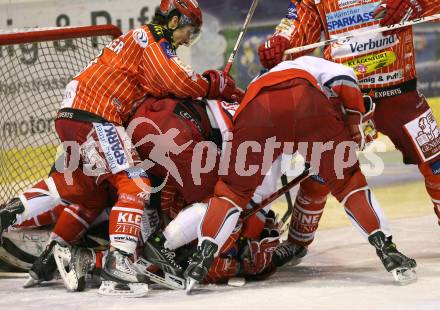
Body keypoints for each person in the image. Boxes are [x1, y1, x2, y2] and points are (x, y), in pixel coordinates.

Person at [0, 0, 241, 286]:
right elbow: (178, 81)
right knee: (134, 181)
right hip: (97, 115)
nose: (189, 38)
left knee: (81, 186)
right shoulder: (153, 40)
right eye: (190, 30)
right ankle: (120, 261)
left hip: (71, 113)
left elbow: (158, 84)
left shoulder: (137, 41)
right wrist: (214, 85)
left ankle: (20, 221)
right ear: (174, 21)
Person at [183, 56, 417, 289]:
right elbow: (346, 79)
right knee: (348, 183)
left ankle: (201, 259)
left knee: (231, 193)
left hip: (254, 114)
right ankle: (389, 253)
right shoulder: (308, 62)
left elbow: (263, 171)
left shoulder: (257, 82)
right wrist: (353, 123)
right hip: (306, 103)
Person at [257, 0, 440, 266]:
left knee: (435, 162)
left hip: (399, 93)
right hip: (342, 95)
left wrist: (417, 4)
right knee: (321, 170)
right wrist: (279, 44)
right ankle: (297, 243)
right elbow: (297, 30)